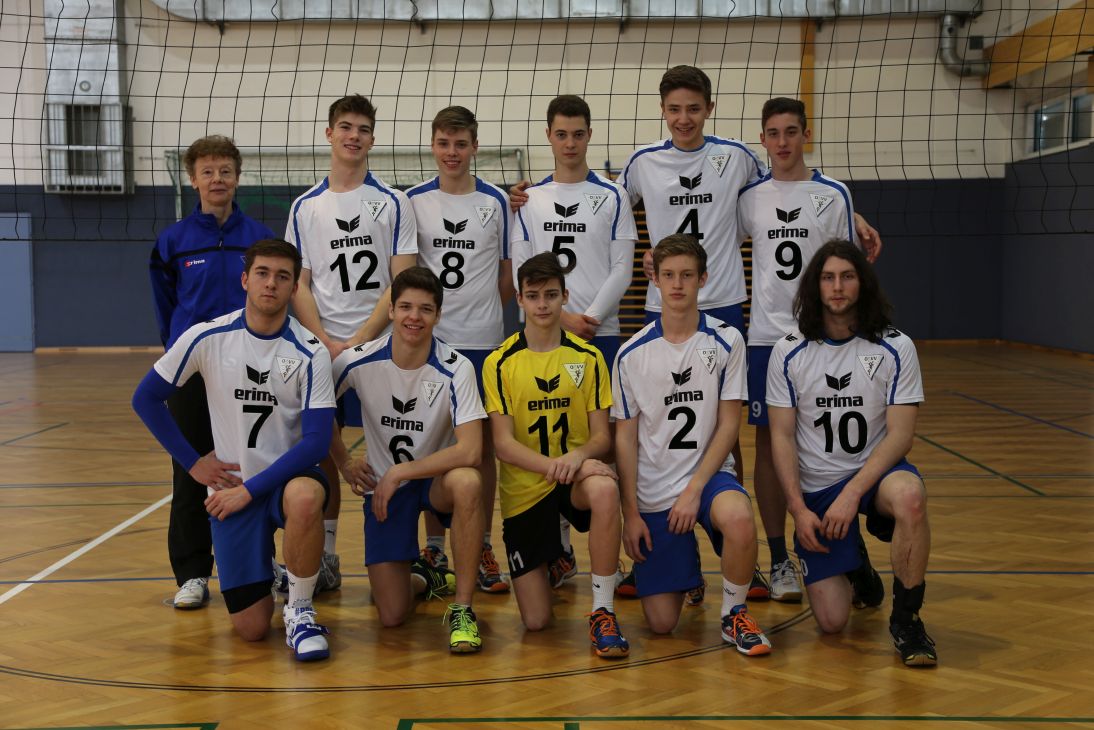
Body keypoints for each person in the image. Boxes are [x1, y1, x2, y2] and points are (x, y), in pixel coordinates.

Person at [614, 66, 884, 600]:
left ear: (709, 109)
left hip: (728, 312)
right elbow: (606, 208)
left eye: (694, 108)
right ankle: (664, 551)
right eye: (675, 109)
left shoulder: (739, 160)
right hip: (672, 308)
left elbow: (792, 182)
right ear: (662, 111)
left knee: (736, 436)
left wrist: (850, 216)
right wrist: (526, 199)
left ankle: (760, 555)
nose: (684, 118)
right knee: (656, 431)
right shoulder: (642, 163)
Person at [133, 239, 337, 662]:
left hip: (285, 481)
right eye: (262, 273)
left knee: (305, 497)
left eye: (282, 277)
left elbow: (317, 443)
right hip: (231, 489)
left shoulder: (311, 351)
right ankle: (272, 570)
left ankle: (300, 609)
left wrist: (251, 490)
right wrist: (193, 464)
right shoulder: (207, 337)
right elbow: (146, 398)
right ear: (245, 280)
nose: (271, 283)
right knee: (251, 629)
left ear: (293, 289)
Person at [737, 96, 883, 605]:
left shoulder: (833, 193)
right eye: (773, 133)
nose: (782, 142)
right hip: (766, 338)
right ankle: (780, 555)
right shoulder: (749, 196)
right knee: (767, 444)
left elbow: (849, 267)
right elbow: (704, 228)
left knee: (827, 440)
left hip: (824, 335)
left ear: (805, 134)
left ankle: (849, 544)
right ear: (763, 140)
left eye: (791, 132)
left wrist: (851, 212)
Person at [767, 240, 937, 667]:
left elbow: (901, 437)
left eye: (847, 276)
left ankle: (907, 621)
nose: (837, 287)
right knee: (831, 621)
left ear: (863, 283)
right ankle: (857, 566)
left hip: (875, 477)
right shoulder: (788, 351)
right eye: (828, 278)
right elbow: (781, 439)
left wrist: (852, 493)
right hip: (818, 489)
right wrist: (798, 510)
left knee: (911, 498)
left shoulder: (895, 346)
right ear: (815, 286)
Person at [614, 234, 772, 656]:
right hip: (654, 489)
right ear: (655, 280)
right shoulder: (630, 354)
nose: (677, 284)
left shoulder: (727, 341)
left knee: (738, 517)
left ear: (703, 279)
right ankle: (689, 571)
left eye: (687, 275)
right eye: (668, 275)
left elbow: (729, 425)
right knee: (661, 624)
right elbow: (624, 440)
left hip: (708, 477)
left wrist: (694, 489)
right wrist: (631, 513)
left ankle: (734, 615)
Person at [286, 94, 419, 591]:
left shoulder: (393, 201)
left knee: (396, 444)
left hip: (381, 345)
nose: (354, 136)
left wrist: (361, 339)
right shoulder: (305, 206)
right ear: (329, 134)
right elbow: (299, 282)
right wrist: (324, 339)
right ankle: (326, 555)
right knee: (323, 447)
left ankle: (407, 554)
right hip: (324, 347)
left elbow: (401, 281)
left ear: (372, 139)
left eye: (363, 129)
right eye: (345, 127)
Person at [510, 94, 638, 588]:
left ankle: (613, 557)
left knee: (606, 442)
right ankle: (560, 549)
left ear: (589, 135)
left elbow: (623, 267)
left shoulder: (612, 195)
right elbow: (523, 270)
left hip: (601, 333)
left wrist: (590, 318)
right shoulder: (530, 199)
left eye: (578, 134)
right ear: (548, 136)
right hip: (546, 331)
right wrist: (563, 318)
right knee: (551, 433)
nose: (569, 143)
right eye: (561, 134)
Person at [332, 267, 488, 653]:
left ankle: (463, 608)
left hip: (434, 483)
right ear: (390, 310)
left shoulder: (456, 367)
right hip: (386, 490)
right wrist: (344, 462)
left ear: (438, 315)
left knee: (468, 480)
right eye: (405, 307)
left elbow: (471, 450)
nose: (413, 317)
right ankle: (427, 578)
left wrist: (400, 471)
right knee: (391, 613)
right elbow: (316, 411)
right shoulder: (355, 361)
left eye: (425, 309)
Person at [149, 135, 275, 610]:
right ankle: (192, 574)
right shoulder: (174, 241)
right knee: (191, 469)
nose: (217, 179)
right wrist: (181, 353)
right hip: (194, 370)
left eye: (225, 171)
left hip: (250, 368)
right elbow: (165, 305)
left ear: (237, 177)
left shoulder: (259, 238)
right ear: (193, 179)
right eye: (208, 172)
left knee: (253, 466)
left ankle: (261, 567)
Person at [484, 252, 629, 659]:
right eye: (533, 296)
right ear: (519, 299)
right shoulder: (499, 363)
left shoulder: (588, 357)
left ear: (565, 296)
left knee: (604, 489)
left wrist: (577, 457)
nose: (542, 304)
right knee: (536, 621)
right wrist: (557, 465)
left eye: (551, 294)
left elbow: (602, 438)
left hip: (575, 479)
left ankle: (603, 611)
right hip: (526, 489)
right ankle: (554, 557)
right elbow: (503, 445)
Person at [405, 106, 514, 594]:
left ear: (474, 146)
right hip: (432, 343)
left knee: (482, 450)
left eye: (461, 144)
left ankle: (482, 543)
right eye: (444, 143)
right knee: (434, 444)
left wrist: (482, 309)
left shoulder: (496, 201)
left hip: (484, 342)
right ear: (433, 145)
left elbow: (507, 274)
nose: (452, 152)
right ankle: (434, 546)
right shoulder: (412, 201)